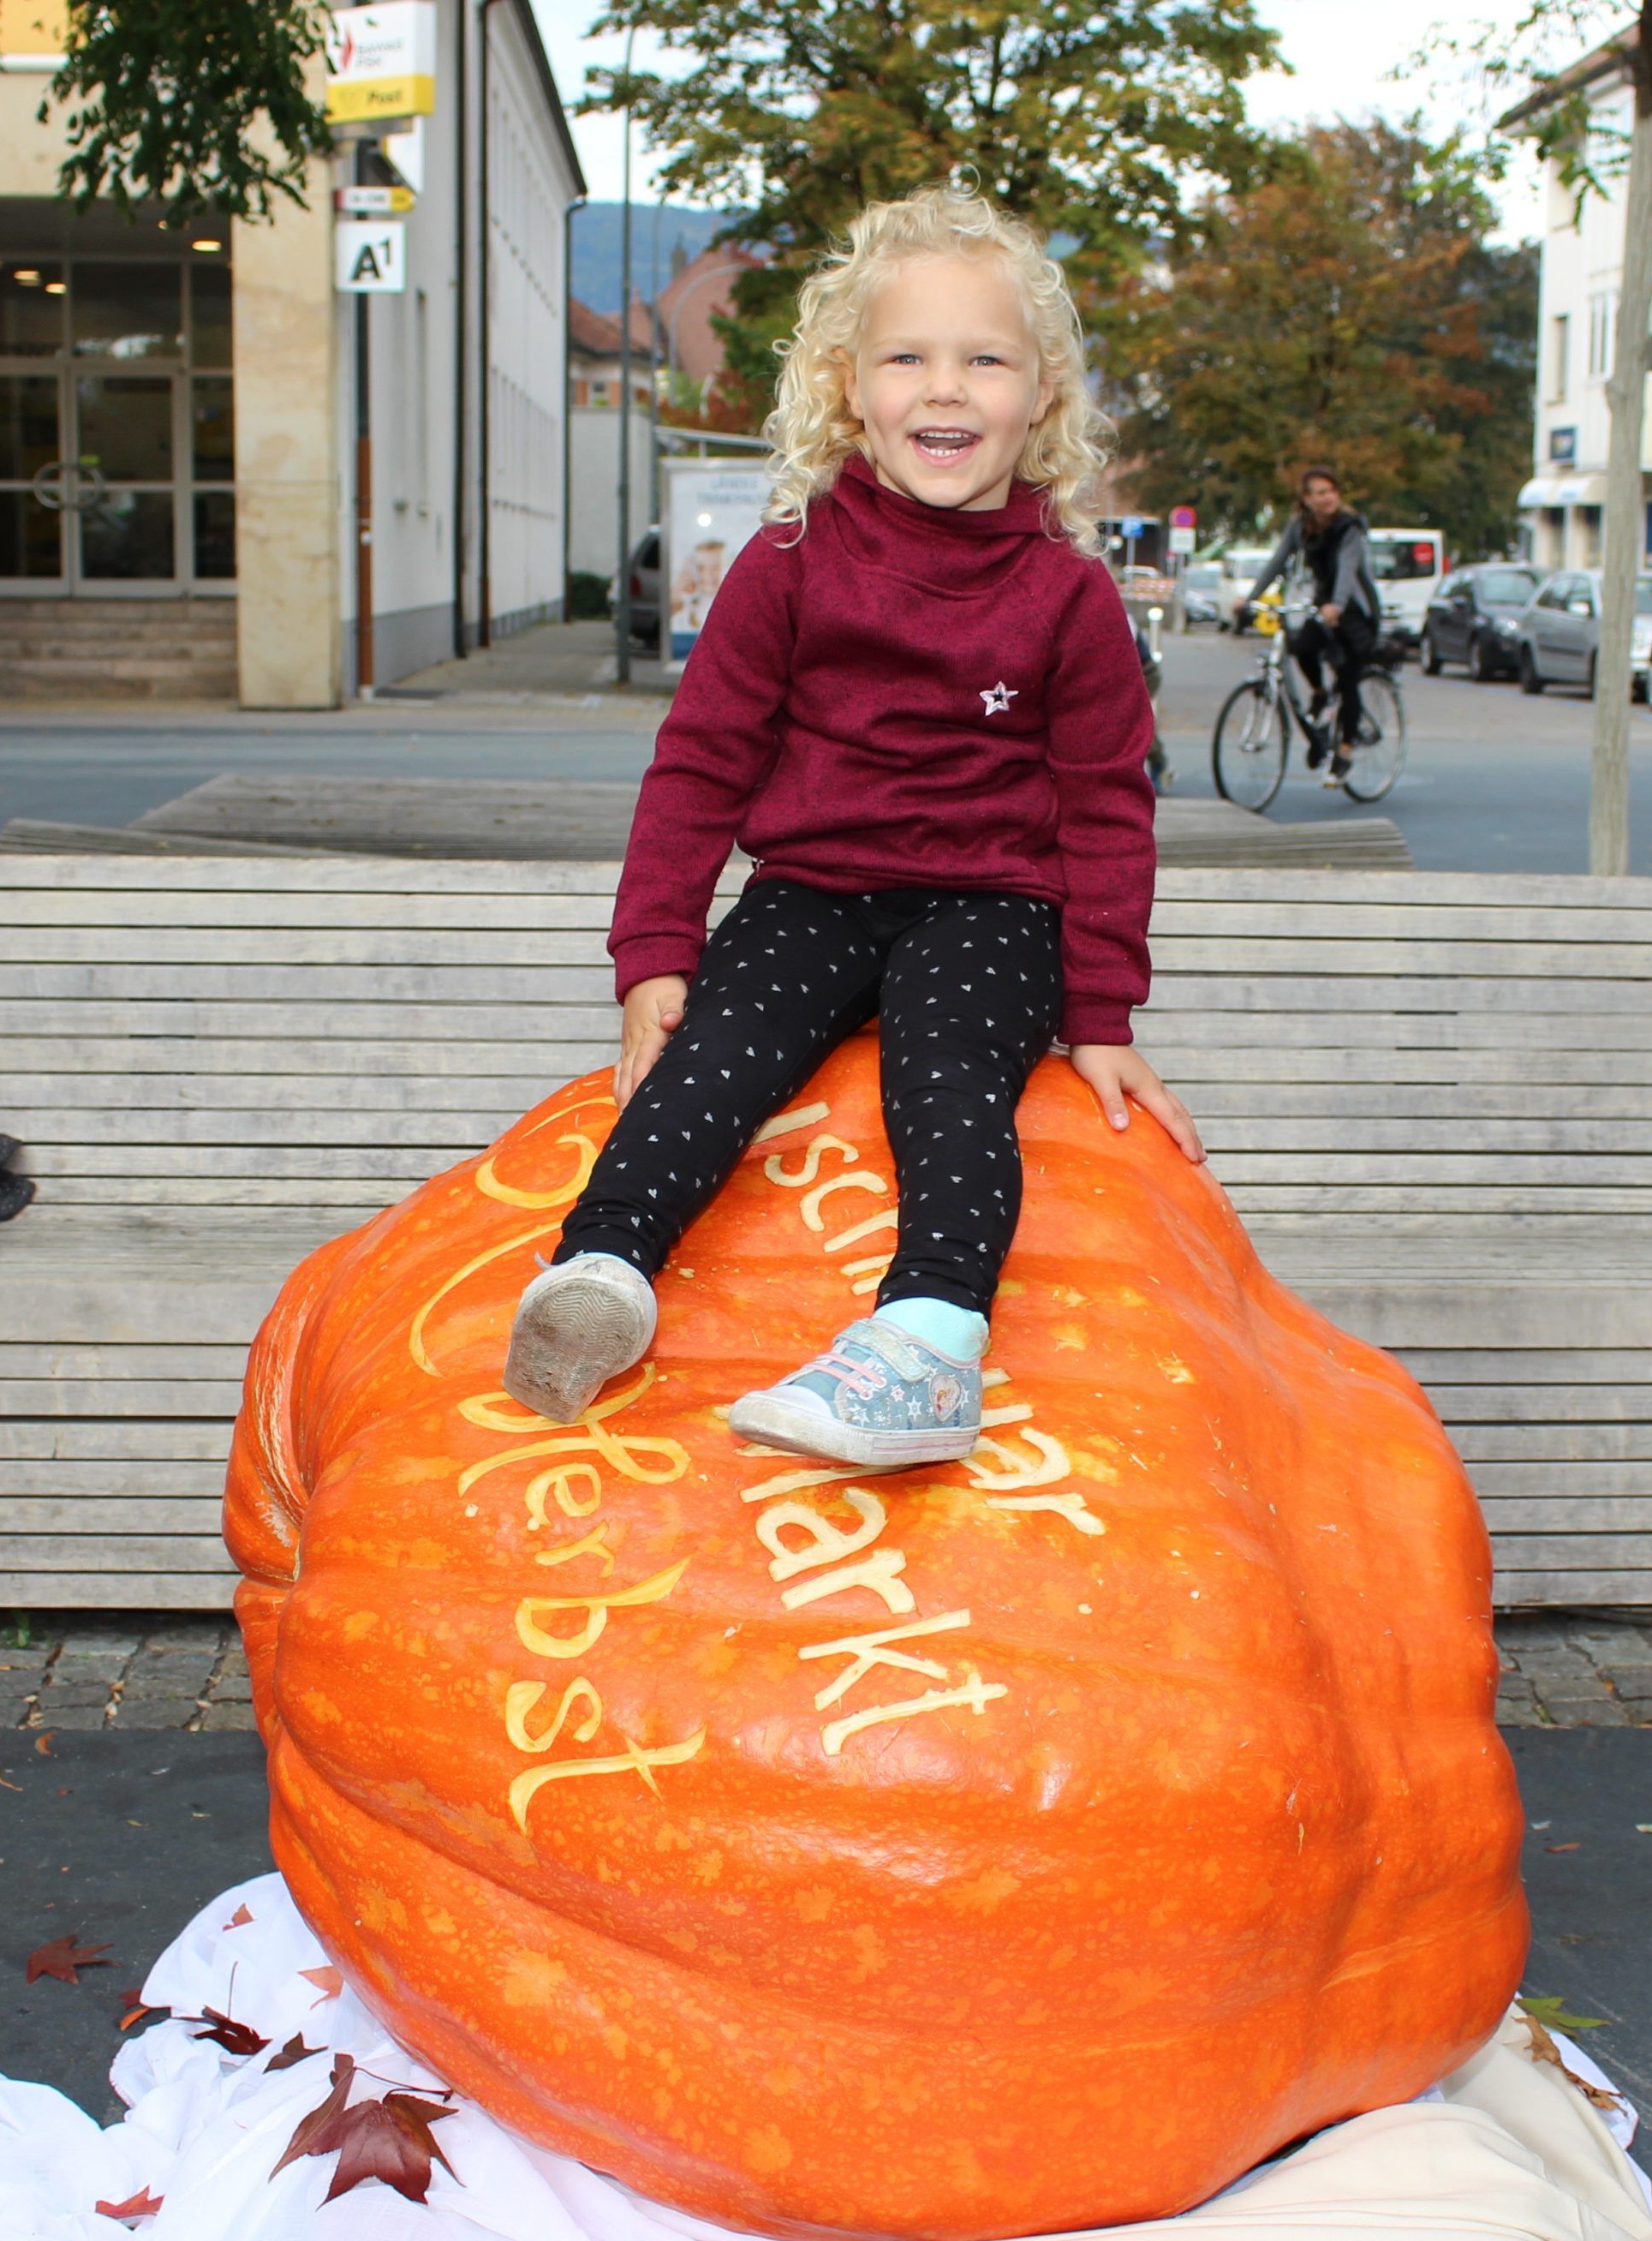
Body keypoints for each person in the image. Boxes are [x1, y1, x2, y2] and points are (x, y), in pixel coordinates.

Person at [501, 185, 1199, 1468]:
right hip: (813, 886)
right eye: (909, 357)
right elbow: (701, 764)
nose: (948, 388)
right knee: (713, 1052)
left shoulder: (1069, 596)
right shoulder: (791, 558)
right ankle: (600, 1268)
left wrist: (1101, 1014)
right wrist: (654, 951)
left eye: (986, 358)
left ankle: (929, 1340)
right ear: (848, 386)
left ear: (1040, 395)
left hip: (994, 904)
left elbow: (1108, 805)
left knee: (944, 1082)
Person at [1249, 467, 1380, 780]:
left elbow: (1348, 571)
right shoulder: (1301, 528)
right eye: (1320, 492)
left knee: (1348, 679)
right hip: (1324, 606)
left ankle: (1346, 748)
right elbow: (1277, 563)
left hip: (1355, 611)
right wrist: (1250, 597)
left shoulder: (1350, 528)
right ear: (1307, 499)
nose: (1328, 497)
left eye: (1332, 491)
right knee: (1301, 646)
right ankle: (1320, 692)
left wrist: (1337, 604)